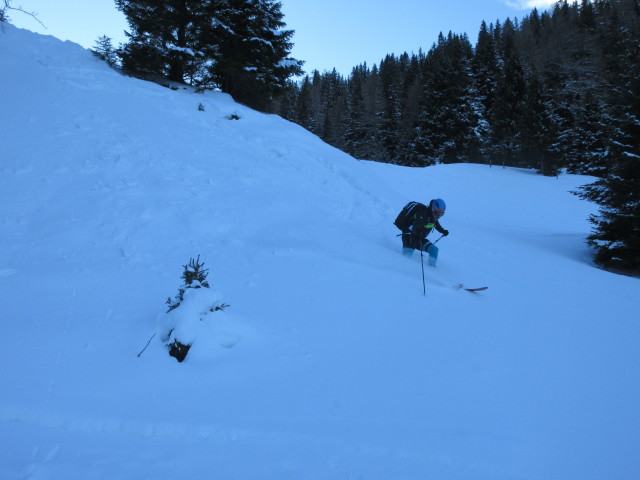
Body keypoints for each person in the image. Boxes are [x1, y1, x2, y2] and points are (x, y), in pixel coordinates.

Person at [398, 199, 449, 266]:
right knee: (406, 258)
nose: (439, 216)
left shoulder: (433, 217)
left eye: (441, 214)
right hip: (409, 237)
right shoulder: (423, 214)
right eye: (438, 213)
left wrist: (443, 231)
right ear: (433, 209)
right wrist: (418, 231)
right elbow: (415, 229)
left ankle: (432, 270)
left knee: (434, 250)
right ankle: (400, 271)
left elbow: (435, 224)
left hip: (419, 239)